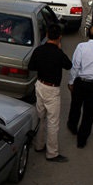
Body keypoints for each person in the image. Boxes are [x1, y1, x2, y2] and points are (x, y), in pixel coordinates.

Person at [29, 24, 73, 163]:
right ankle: (52, 153)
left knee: (40, 117)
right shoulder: (58, 54)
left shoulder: (39, 50)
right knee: (53, 122)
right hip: (52, 90)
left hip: (40, 85)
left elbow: (32, 66)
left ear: (47, 35)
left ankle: (39, 145)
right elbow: (69, 65)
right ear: (59, 37)